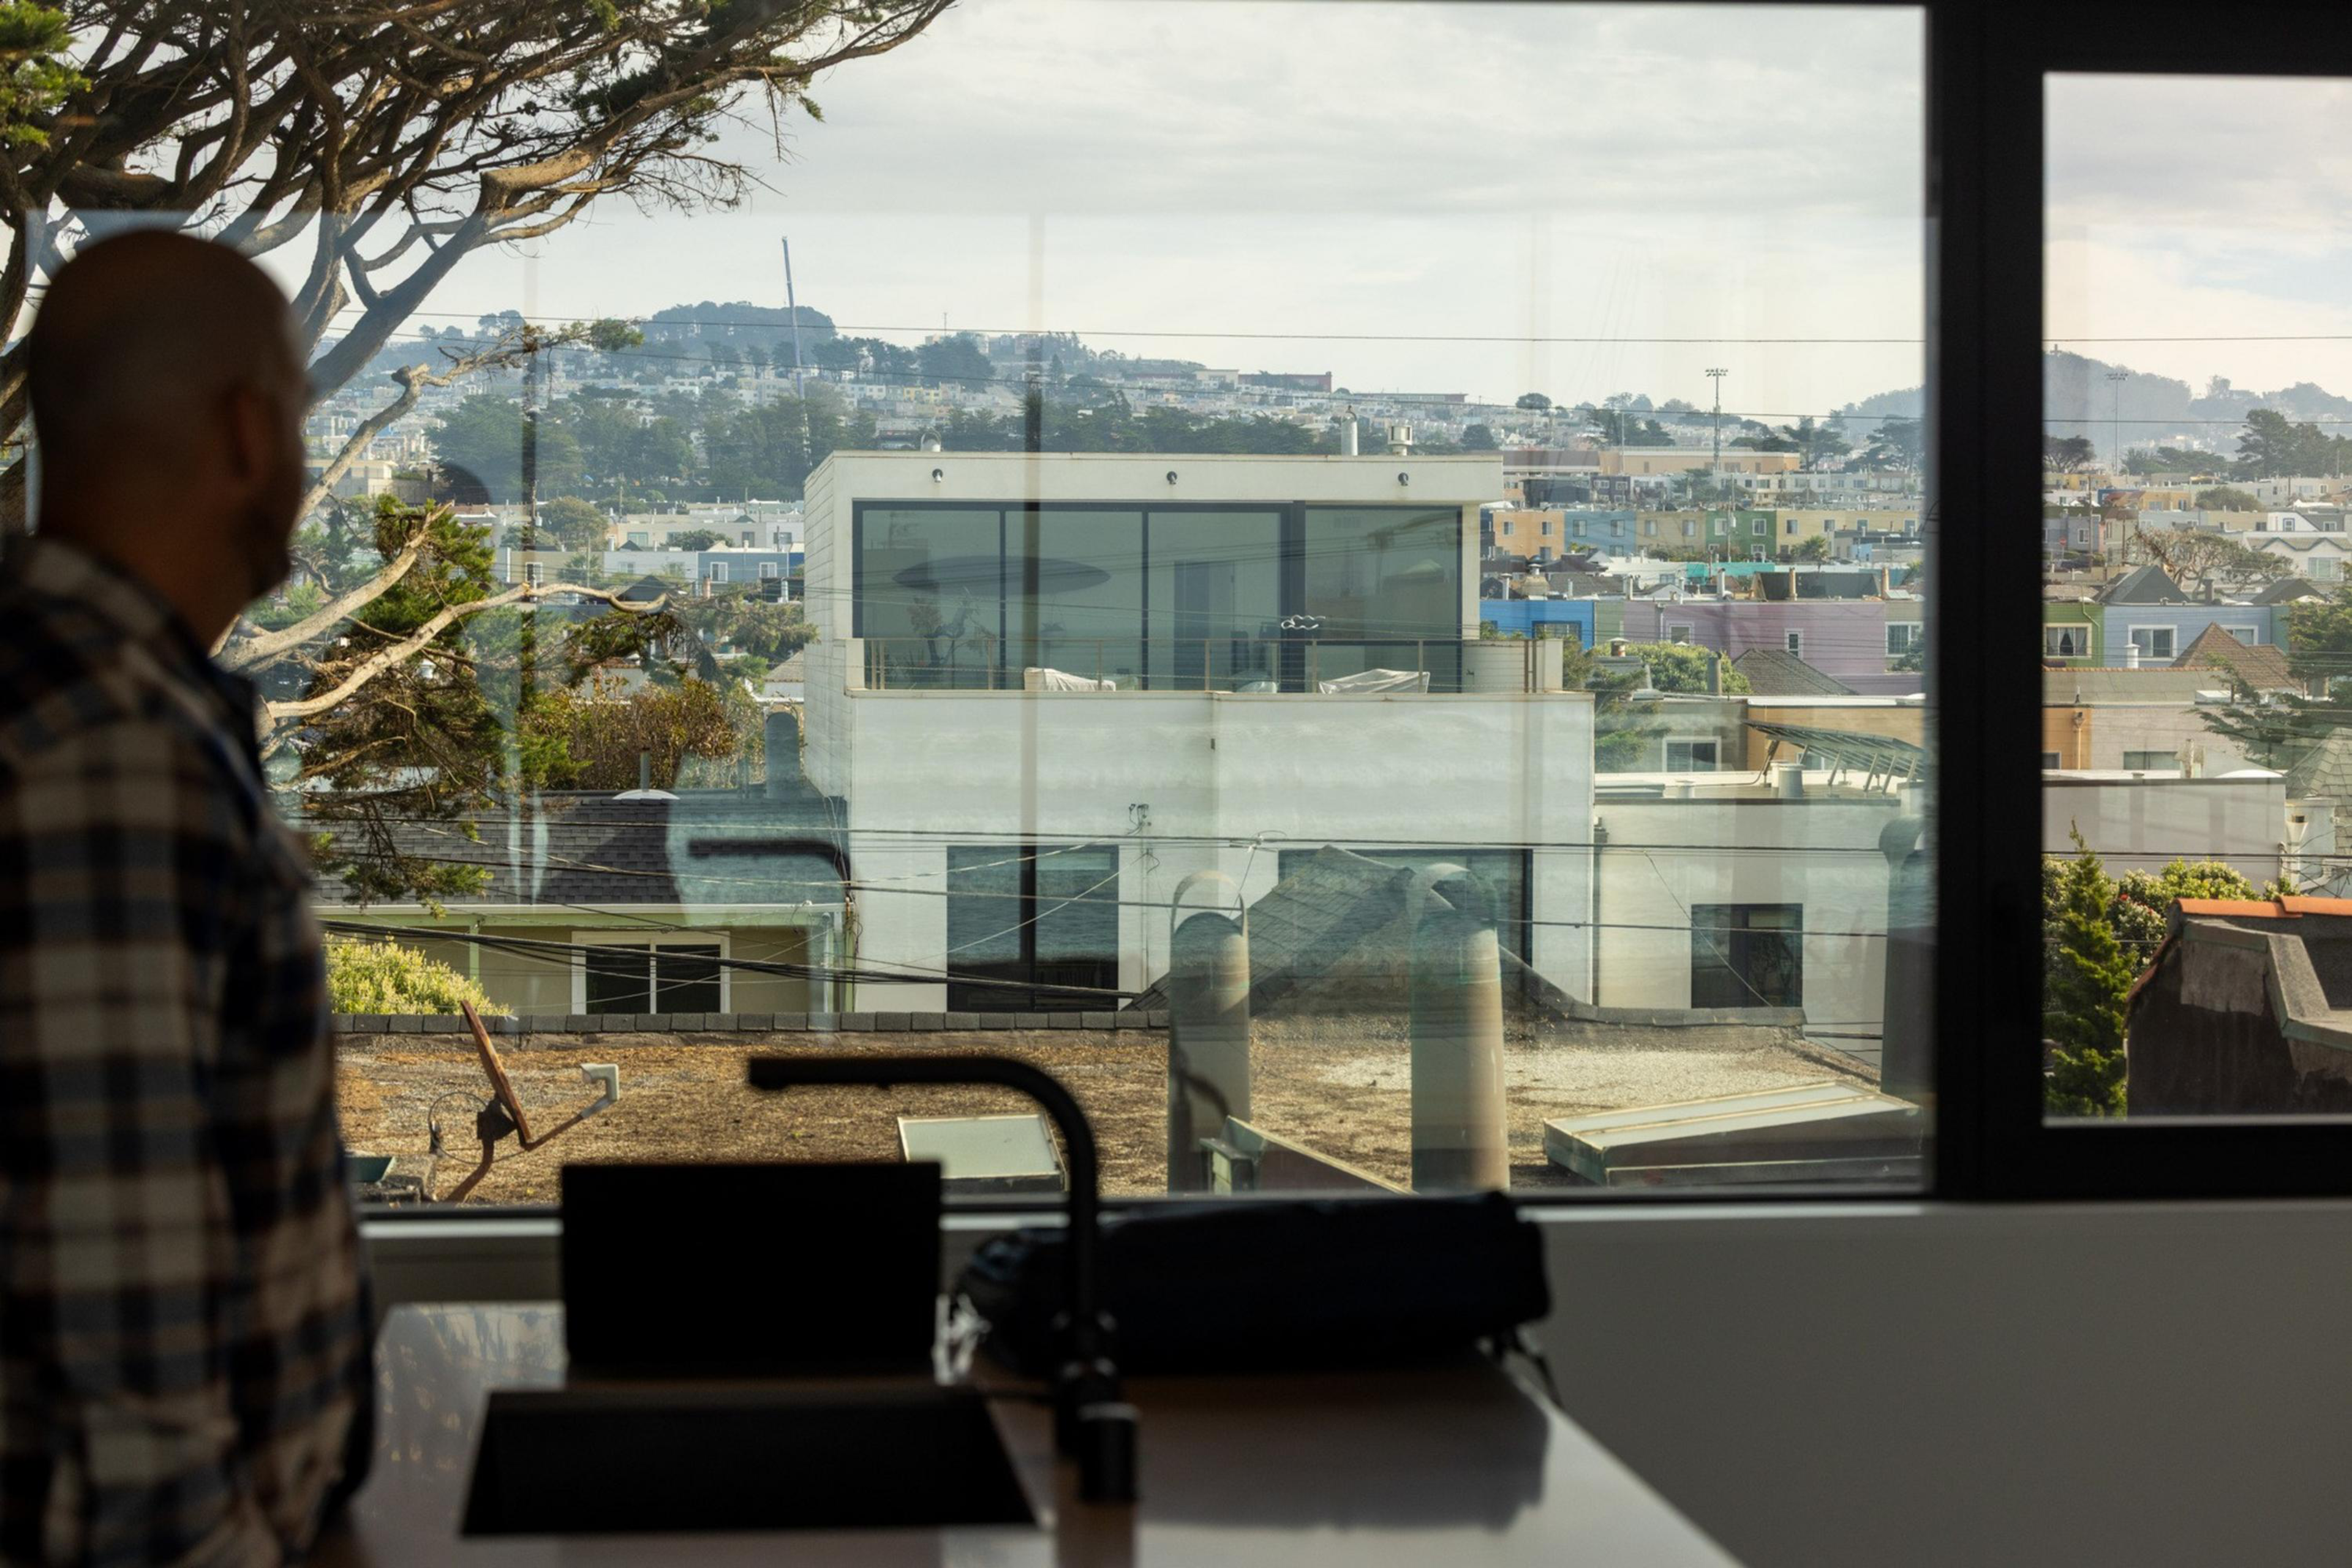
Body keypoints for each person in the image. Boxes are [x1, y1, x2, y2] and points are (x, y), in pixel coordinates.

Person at [0, 232, 369, 1565]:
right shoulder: (111, 754)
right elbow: (128, 1328)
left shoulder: (66, 688)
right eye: (304, 418)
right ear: (246, 430)